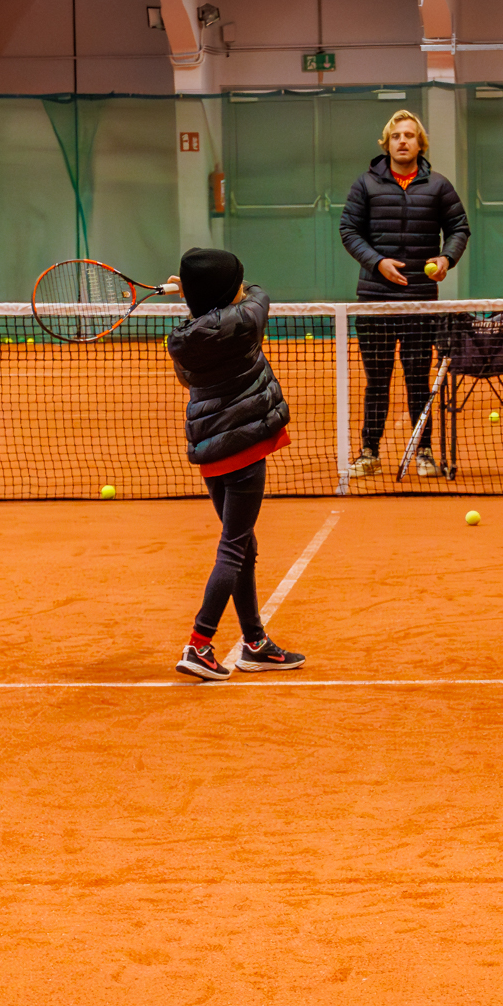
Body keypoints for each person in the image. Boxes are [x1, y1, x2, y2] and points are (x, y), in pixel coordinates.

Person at [162, 245, 308, 683]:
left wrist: (193, 302)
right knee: (233, 545)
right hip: (245, 446)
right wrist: (204, 294)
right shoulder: (247, 318)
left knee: (243, 544)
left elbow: (192, 366)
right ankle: (200, 643)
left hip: (212, 451)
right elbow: (257, 293)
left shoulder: (181, 340)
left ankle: (255, 643)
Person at [338, 108, 469, 477]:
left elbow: (459, 228)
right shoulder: (365, 185)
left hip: (420, 299)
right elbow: (349, 231)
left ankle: (424, 451)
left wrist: (447, 258)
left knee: (417, 378)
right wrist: (377, 263)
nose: (402, 141)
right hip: (374, 299)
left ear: (419, 143)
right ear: (386, 143)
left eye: (409, 136)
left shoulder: (439, 186)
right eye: (396, 136)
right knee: (376, 379)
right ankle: (369, 452)